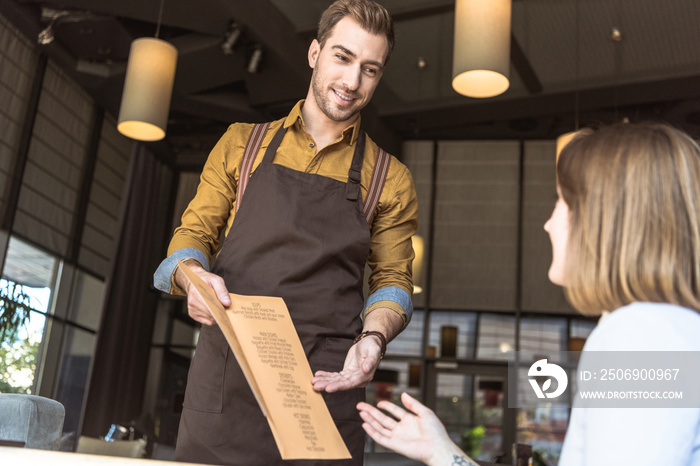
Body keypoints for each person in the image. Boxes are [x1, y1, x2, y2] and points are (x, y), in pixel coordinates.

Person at [153, 1, 417, 464]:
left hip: (324, 392)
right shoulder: (242, 143)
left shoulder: (388, 178)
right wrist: (192, 276)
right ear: (315, 53)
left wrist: (372, 339)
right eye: (342, 57)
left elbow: (393, 281)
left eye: (370, 69)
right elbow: (191, 237)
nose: (352, 82)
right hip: (227, 388)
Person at [357, 122, 700, 466]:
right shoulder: (663, 329)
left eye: (563, 203)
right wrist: (441, 452)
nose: (549, 223)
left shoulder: (640, 334)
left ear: (608, 220)